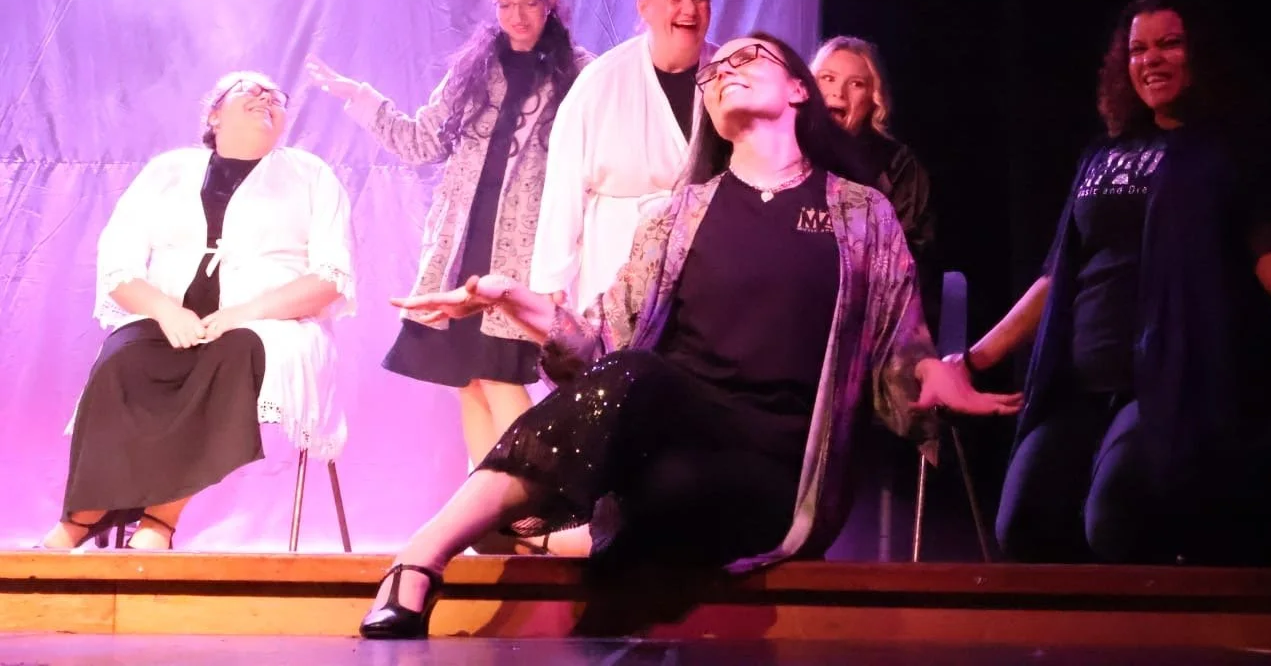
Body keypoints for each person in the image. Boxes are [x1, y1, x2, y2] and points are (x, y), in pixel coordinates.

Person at [358, 32, 1020, 639]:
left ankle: (584, 549)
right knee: (646, 418)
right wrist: (515, 301)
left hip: (780, 467)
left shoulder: (859, 213)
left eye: (750, 56)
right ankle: (421, 558)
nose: (728, 67)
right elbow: (598, 349)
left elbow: (900, 345)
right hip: (674, 433)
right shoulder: (677, 217)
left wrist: (932, 374)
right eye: (718, 66)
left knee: (663, 499)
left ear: (798, 89)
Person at [964, 0, 1271, 565]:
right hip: (1080, 381)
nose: (1152, 59)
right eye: (1138, 49)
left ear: (1200, 54)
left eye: (1169, 44)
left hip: (1168, 382)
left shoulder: (1228, 151)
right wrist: (972, 361)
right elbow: (1057, 277)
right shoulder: (1101, 154)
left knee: (1116, 517)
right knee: (1022, 522)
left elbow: (1268, 241)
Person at [40, 72, 355, 551]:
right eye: (250, 89)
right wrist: (165, 311)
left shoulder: (311, 176)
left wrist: (243, 313)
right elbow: (119, 264)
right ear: (213, 114)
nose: (266, 96)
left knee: (234, 353)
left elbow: (331, 278)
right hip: (171, 319)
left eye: (275, 95)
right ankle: (85, 515)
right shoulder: (168, 171)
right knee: (122, 357)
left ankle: (159, 521)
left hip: (271, 326)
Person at [307, 0, 590, 469]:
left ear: (550, 4)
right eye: (506, 5)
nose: (518, 17)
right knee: (471, 381)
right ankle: (489, 520)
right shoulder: (476, 69)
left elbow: (590, 170)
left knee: (501, 376)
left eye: (529, 3)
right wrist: (361, 98)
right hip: (462, 246)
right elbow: (420, 142)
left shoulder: (580, 75)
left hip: (525, 252)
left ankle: (538, 500)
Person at [528, 0, 719, 309]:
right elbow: (564, 185)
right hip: (618, 261)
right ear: (643, 7)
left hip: (707, 259)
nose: (689, 10)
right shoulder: (601, 81)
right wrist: (552, 281)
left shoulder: (731, 75)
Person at [811, 35, 939, 331]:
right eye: (827, 78)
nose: (838, 93)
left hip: (872, 320)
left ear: (874, 100)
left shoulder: (899, 166)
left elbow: (912, 259)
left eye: (856, 84)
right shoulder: (788, 152)